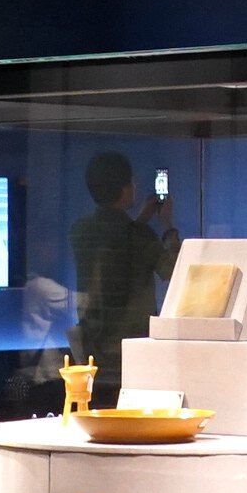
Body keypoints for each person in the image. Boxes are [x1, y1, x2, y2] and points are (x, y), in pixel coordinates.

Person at [67, 151, 165, 368]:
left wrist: (140, 221)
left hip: (94, 344)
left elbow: (117, 242)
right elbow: (171, 270)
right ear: (124, 188)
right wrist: (168, 227)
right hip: (133, 347)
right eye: (132, 183)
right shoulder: (141, 236)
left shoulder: (80, 230)